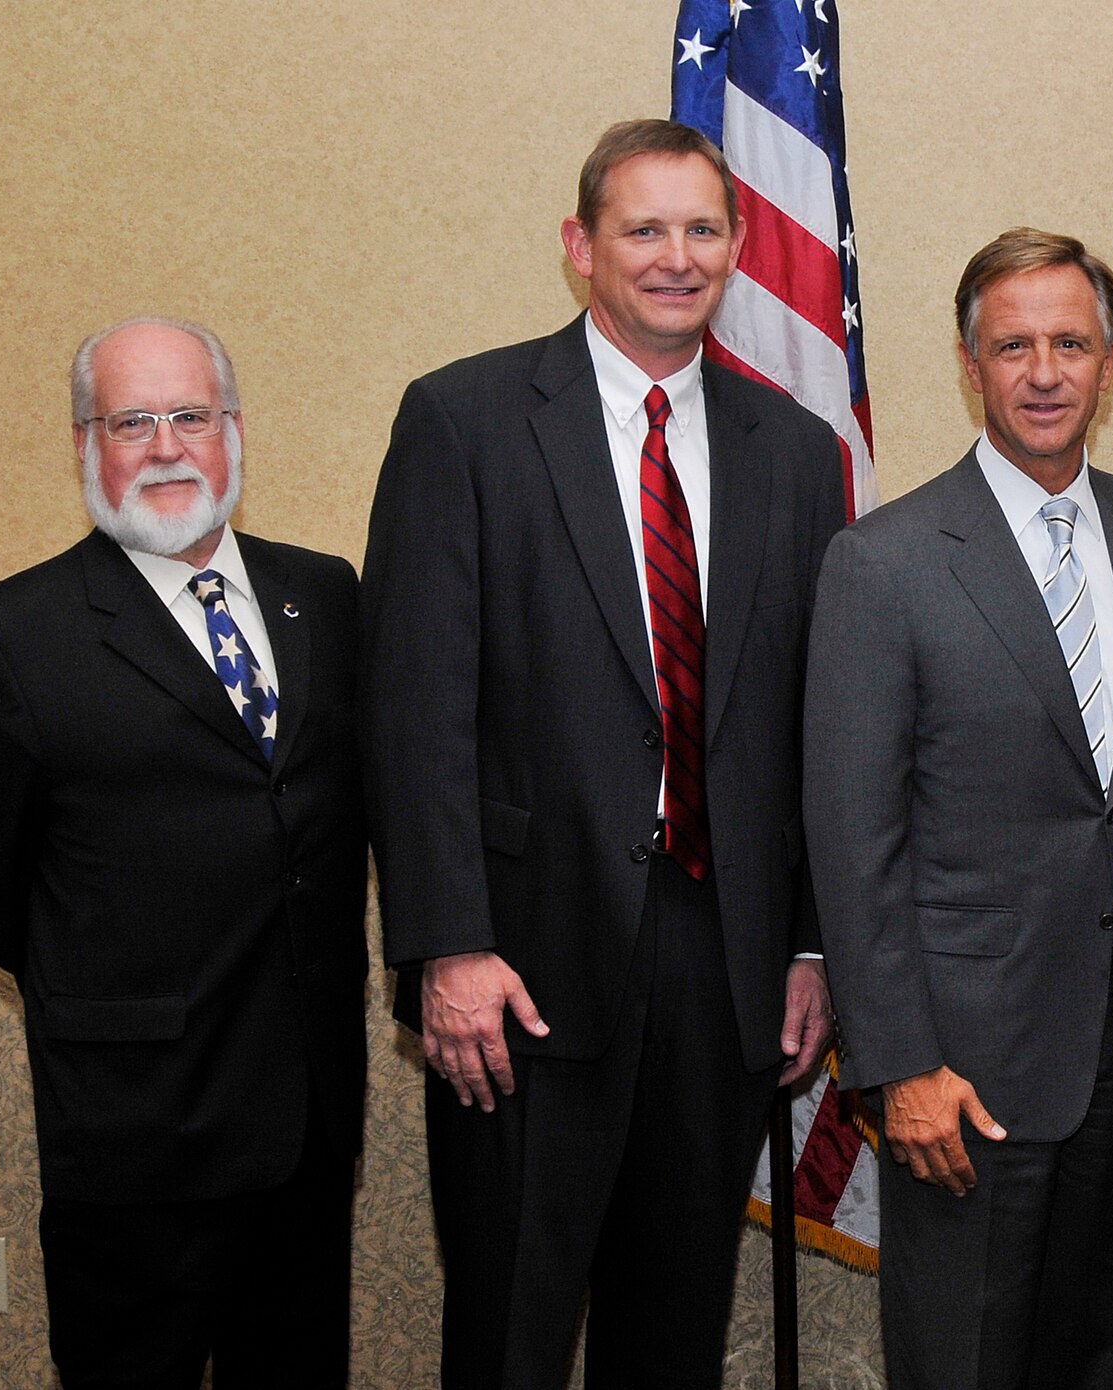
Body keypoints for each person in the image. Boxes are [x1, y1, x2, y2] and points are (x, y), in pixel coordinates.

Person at [359, 119, 846, 1389]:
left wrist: (804, 943)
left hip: (724, 967)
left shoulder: (794, 454)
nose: (673, 257)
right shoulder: (462, 420)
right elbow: (412, 708)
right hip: (519, 968)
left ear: (738, 248)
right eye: (643, 228)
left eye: (700, 228)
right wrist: (446, 945)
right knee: (511, 1331)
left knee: (672, 1333)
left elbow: (810, 723)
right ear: (581, 247)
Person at [804, 227, 1113, 1390]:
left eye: (1069, 343)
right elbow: (854, 844)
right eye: (1012, 347)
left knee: (1088, 1356)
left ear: (1107, 359)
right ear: (968, 362)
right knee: (964, 1364)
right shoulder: (881, 562)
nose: (1043, 372)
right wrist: (898, 1062)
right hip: (963, 1073)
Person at [0, 317, 368, 1388]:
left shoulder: (323, 594)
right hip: (135, 1138)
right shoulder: (7, 639)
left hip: (309, 1123)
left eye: (191, 415)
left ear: (233, 431)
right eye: (132, 420)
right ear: (86, 443)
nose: (167, 445)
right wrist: (103, 982)